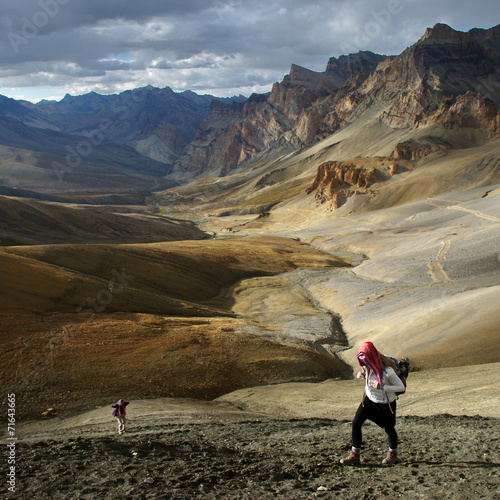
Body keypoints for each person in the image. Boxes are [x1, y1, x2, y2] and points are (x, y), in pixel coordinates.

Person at [340, 341, 405, 466]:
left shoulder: (388, 371)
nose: (363, 364)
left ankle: (393, 454)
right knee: (356, 424)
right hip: (369, 400)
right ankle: (355, 455)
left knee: (389, 429)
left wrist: (383, 387)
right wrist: (363, 374)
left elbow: (400, 387)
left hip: (385, 404)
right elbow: (368, 373)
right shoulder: (367, 365)